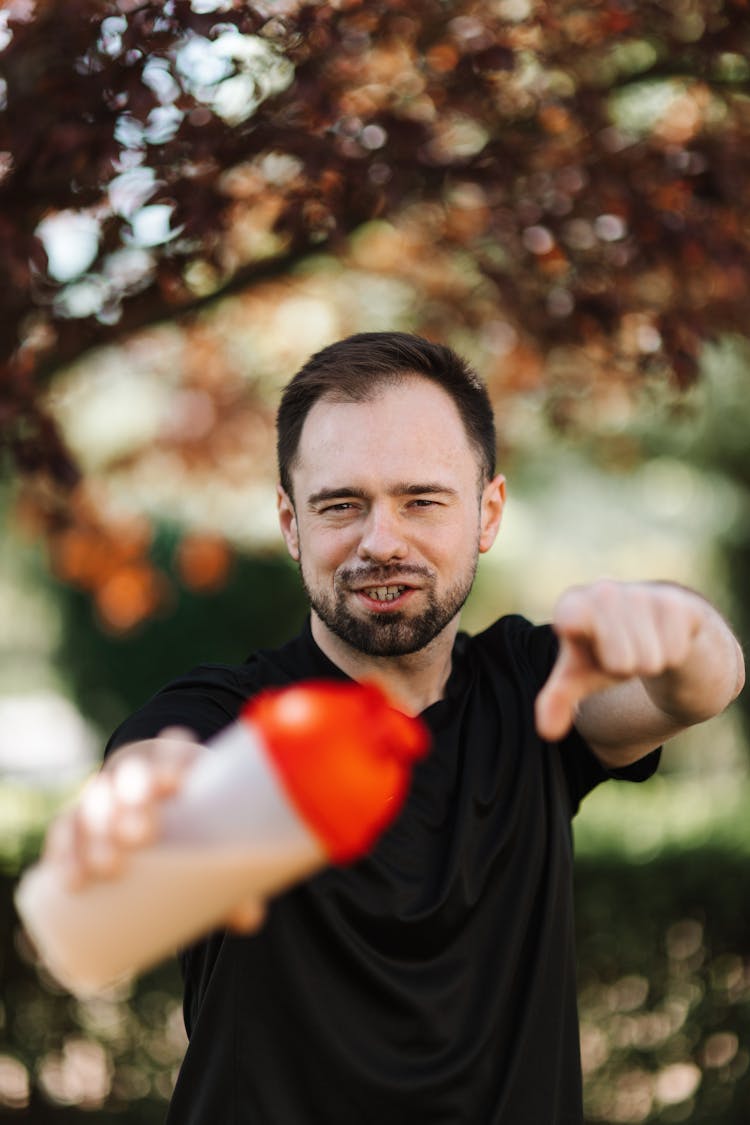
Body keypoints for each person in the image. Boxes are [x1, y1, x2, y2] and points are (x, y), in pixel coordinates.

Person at [46, 332, 744, 1124]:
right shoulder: (219, 712)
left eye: (421, 499)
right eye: (341, 504)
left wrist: (683, 630)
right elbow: (153, 775)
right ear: (289, 523)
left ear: (488, 512)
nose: (381, 541)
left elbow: (698, 687)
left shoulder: (536, 687)